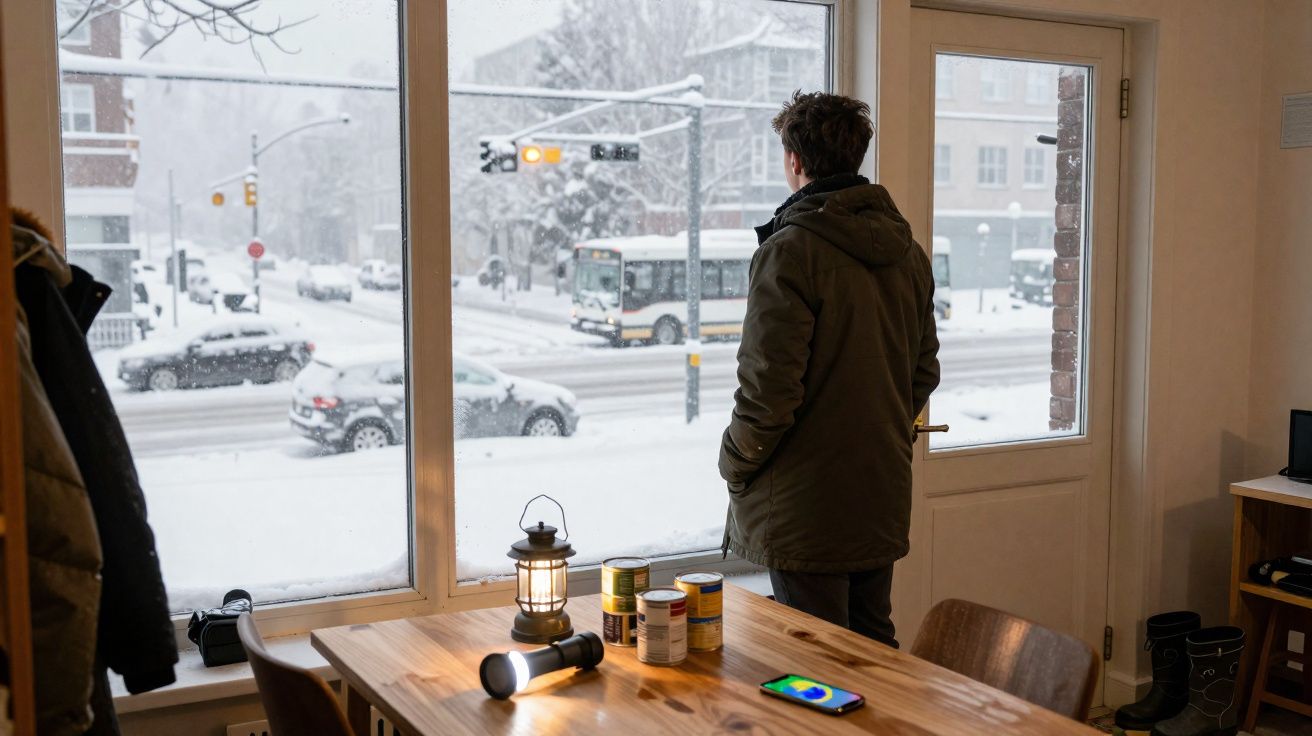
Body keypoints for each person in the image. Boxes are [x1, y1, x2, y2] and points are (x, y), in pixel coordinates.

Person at [719, 91, 941, 648]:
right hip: (878, 493)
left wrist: (734, 464)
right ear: (856, 156)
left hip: (805, 508)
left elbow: (768, 392)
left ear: (794, 160)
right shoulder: (907, 251)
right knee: (874, 655)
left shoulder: (790, 251)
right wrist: (881, 428)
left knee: (813, 662)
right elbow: (923, 370)